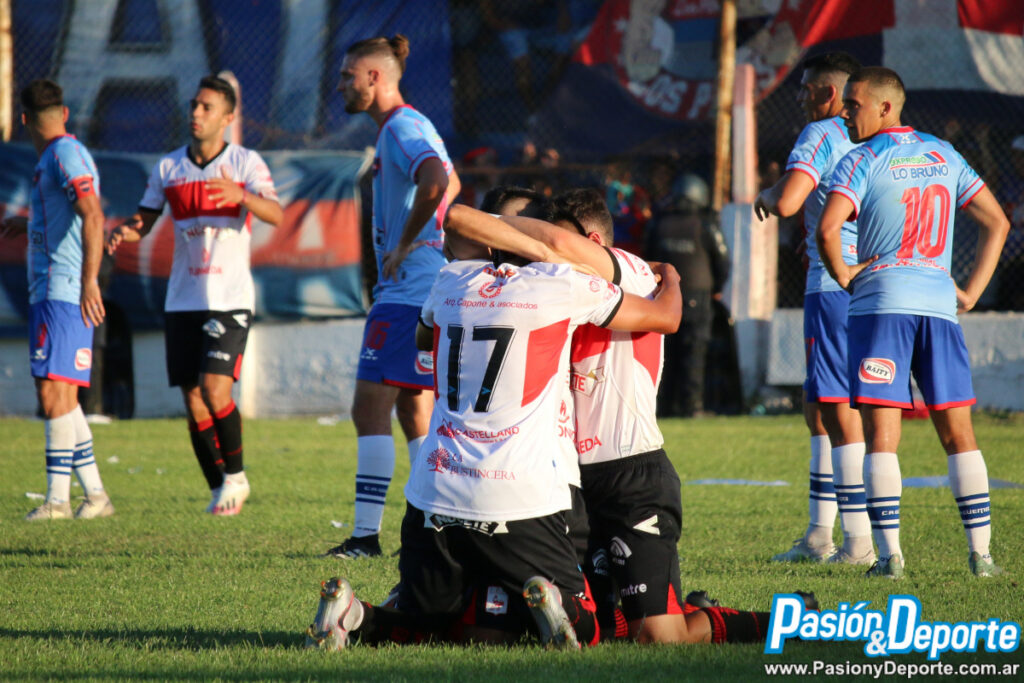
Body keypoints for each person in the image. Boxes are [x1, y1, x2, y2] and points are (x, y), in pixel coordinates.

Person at [305, 225, 682, 650]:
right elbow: (665, 317)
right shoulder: (560, 283)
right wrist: (669, 275)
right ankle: (557, 600)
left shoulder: (451, 279)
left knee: (429, 625)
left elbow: (423, 336)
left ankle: (354, 614)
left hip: (434, 491)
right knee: (590, 626)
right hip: (518, 494)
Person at [445, 192, 793, 645]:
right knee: (583, 622)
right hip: (569, 483)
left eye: (555, 245)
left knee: (661, 637)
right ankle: (679, 606)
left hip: (632, 477)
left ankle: (789, 617)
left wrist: (503, 226)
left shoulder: (629, 271)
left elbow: (557, 247)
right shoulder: (553, 289)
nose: (544, 258)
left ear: (592, 244)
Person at [817, 66, 1010, 578]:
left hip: (882, 307)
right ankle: (982, 556)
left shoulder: (861, 159)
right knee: (959, 432)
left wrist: (844, 275)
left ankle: (890, 558)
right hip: (938, 306)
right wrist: (972, 291)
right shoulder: (944, 153)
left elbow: (828, 228)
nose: (844, 113)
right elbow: (998, 221)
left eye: (853, 104)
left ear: (885, 107)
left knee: (882, 434)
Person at [106, 75, 283, 516]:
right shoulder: (169, 167)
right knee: (192, 398)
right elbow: (146, 220)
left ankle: (237, 477)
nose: (196, 114)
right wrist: (127, 230)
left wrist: (241, 195)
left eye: (207, 107)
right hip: (182, 298)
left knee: (214, 389)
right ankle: (219, 487)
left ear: (228, 117)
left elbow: (276, 214)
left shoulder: (245, 162)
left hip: (228, 298)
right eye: (194, 105)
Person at [328, 34, 460, 559]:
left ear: (374, 78)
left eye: (348, 76)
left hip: (406, 292)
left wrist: (407, 243)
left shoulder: (402, 127)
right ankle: (434, 526)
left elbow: (437, 180)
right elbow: (451, 184)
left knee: (369, 409)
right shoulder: (411, 125)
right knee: (413, 410)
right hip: (422, 289)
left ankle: (365, 537)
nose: (342, 84)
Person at [754, 52, 875, 565]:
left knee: (836, 409)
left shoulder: (821, 133)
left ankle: (858, 542)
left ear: (828, 93)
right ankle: (819, 535)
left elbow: (787, 202)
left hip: (832, 282)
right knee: (819, 410)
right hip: (872, 282)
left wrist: (768, 192)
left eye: (806, 89)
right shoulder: (879, 139)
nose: (801, 98)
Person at [0, 79, 113, 520]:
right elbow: (70, 211)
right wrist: (28, 223)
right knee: (60, 394)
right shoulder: (57, 156)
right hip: (57, 289)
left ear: (23, 119)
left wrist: (89, 281)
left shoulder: (64, 154)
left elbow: (93, 214)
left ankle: (57, 501)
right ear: (64, 113)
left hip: (63, 289)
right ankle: (96, 496)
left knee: (52, 393)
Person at [648, 174, 730, 418]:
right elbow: (722, 262)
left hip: (663, 296)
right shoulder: (705, 224)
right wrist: (716, 288)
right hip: (697, 298)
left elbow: (647, 257)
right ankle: (692, 406)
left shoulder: (659, 223)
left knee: (664, 354)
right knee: (694, 353)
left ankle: (662, 407)